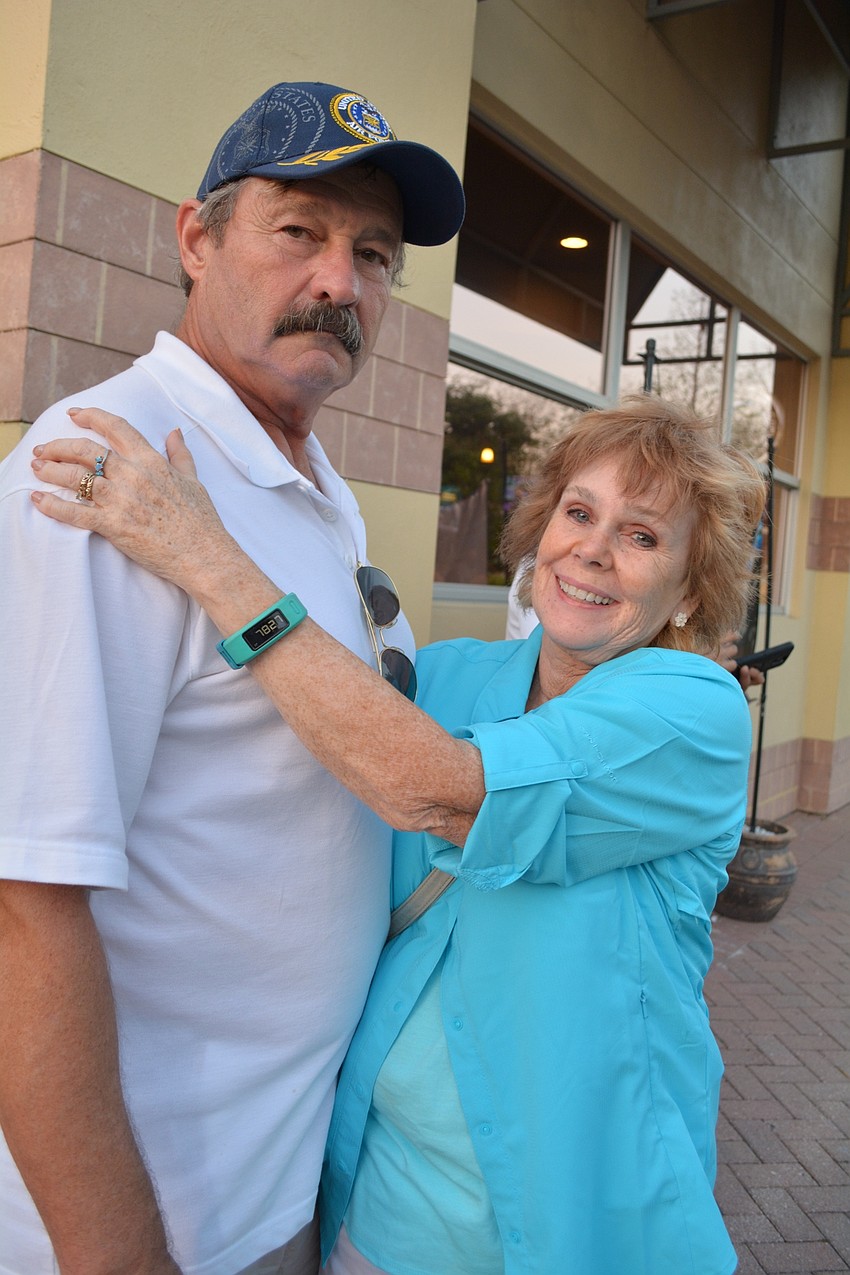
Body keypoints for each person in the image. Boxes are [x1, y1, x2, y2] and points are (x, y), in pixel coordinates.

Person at [31, 394, 765, 1274]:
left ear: (690, 586)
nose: (593, 550)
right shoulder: (451, 674)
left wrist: (206, 558)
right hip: (390, 1209)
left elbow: (429, 789)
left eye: (642, 535)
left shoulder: (694, 712)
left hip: (588, 1215)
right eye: (579, 511)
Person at [0, 81, 463, 1275]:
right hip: (154, 1221)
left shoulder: (309, 477)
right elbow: (21, 902)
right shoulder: (99, 466)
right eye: (298, 233)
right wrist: (119, 1256)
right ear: (196, 239)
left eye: (371, 254)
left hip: (284, 1175)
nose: (338, 281)